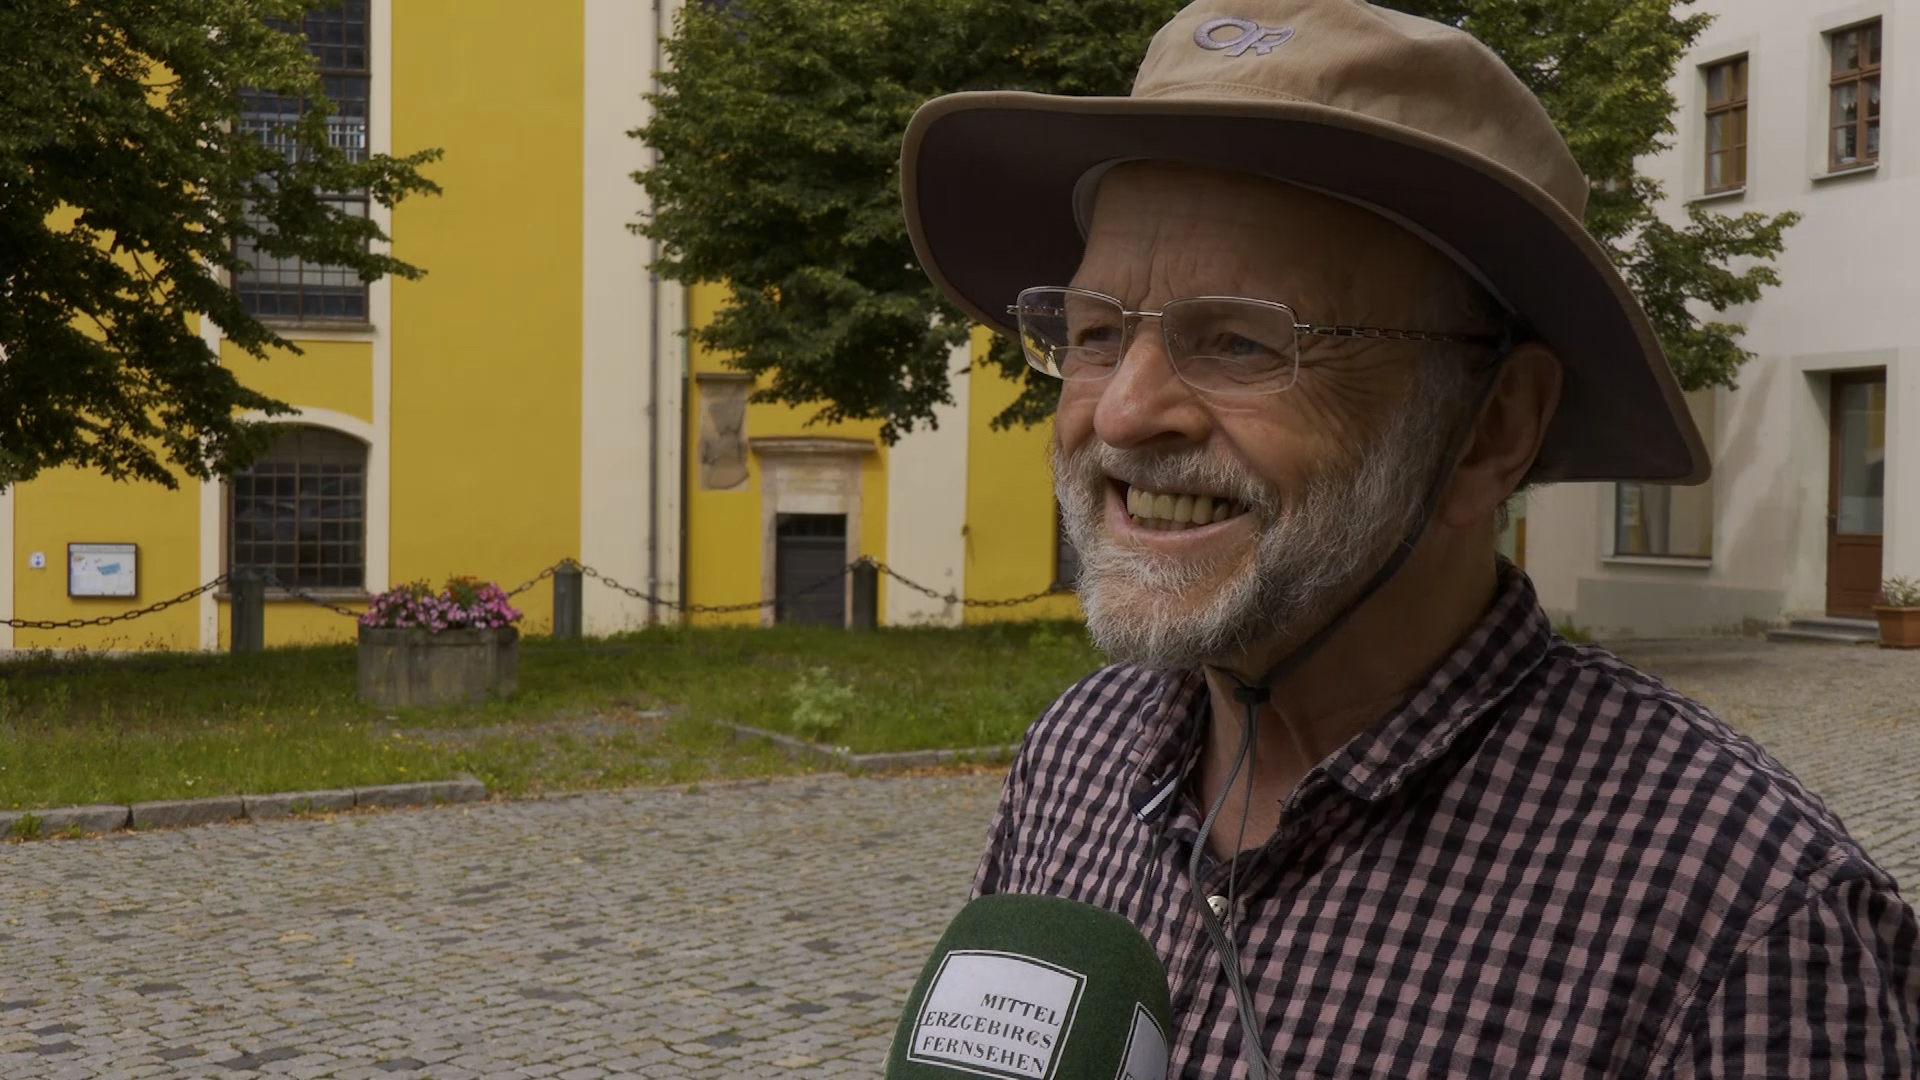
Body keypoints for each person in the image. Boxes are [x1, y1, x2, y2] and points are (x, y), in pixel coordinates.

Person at [898, 0, 1920, 1076]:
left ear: (1491, 429)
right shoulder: (1077, 753)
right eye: (1098, 333)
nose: (1120, 413)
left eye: (1240, 342)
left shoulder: (1747, 926)